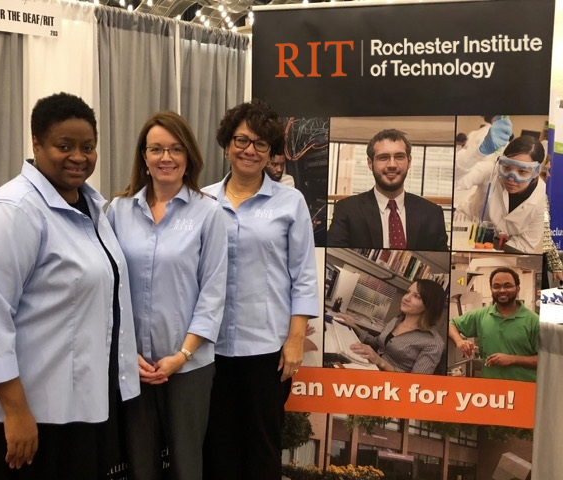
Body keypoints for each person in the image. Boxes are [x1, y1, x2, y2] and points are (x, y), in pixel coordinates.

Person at [0, 92, 140, 479]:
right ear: (36, 144)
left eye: (88, 147)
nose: (78, 157)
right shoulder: (12, 213)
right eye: (63, 146)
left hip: (74, 407)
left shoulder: (89, 209)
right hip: (18, 415)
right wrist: (16, 412)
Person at [202, 99, 319, 480]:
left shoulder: (290, 202)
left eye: (260, 144)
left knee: (261, 448)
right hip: (209, 348)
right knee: (216, 447)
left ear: (271, 153)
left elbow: (303, 274)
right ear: (226, 144)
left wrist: (296, 338)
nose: (249, 150)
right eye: (241, 140)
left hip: (266, 350)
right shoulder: (201, 200)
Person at [106, 111, 227, 480]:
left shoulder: (209, 213)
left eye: (175, 149)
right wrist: (128, 356)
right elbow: (110, 286)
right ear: (144, 156)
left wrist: (182, 355)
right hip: (135, 366)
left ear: (188, 155)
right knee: (139, 465)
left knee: (186, 465)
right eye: (156, 148)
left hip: (188, 366)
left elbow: (213, 292)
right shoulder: (117, 211)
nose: (166, 157)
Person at [327, 129, 448, 250]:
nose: (392, 165)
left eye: (399, 157)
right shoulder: (347, 210)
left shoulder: (432, 213)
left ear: (409, 162)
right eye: (383, 158)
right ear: (370, 163)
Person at [456, 135, 546, 254]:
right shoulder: (491, 170)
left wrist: (497, 252)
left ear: (536, 172)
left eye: (522, 172)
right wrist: (478, 153)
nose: (511, 178)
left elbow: (525, 243)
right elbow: (456, 181)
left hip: (503, 245)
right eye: (507, 168)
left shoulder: (542, 199)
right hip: (465, 228)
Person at [335, 280, 445, 374]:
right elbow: (377, 342)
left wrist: (379, 361)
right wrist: (354, 326)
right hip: (369, 367)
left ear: (429, 306)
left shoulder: (433, 343)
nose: (406, 298)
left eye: (417, 296)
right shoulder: (395, 321)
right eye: (408, 292)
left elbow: (415, 383)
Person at [449, 267, 539, 382]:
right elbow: (452, 324)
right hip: (491, 392)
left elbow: (546, 361)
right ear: (491, 289)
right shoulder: (481, 315)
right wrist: (460, 341)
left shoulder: (533, 320)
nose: (502, 290)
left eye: (508, 286)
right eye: (496, 286)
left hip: (523, 390)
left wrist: (513, 359)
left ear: (518, 288)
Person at [540, 154, 563, 288]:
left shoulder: (542, 196)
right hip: (530, 258)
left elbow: (546, 235)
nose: (548, 175)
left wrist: (556, 266)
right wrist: (556, 266)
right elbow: (545, 235)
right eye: (544, 171)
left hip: (540, 257)